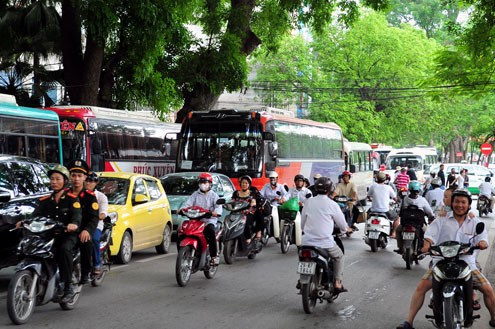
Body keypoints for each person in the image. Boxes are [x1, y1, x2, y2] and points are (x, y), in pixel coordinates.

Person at [396, 189, 495, 329]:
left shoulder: (474, 221)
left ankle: (493, 318)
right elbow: (430, 235)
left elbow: (482, 238)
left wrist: (482, 243)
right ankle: (408, 321)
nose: (459, 205)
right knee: (420, 288)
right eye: (457, 202)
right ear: (452, 203)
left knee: (488, 290)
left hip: (467, 264)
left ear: (468, 205)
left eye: (463, 202)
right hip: (441, 263)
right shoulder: (441, 219)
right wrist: (426, 245)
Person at [31, 165, 82, 303]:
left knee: (64, 249)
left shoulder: (72, 199)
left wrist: (74, 224)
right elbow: (35, 215)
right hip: (49, 235)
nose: (54, 182)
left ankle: (68, 287)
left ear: (65, 181)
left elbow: (77, 216)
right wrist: (23, 222)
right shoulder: (45, 200)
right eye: (52, 179)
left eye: (57, 179)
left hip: (67, 235)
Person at [301, 177, 353, 292]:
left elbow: (302, 224)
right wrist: (347, 230)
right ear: (329, 189)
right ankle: (337, 282)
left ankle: (301, 279)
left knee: (303, 257)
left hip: (307, 242)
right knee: (339, 256)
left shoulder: (308, 202)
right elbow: (342, 225)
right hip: (325, 243)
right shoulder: (332, 204)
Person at [66, 159, 100, 284]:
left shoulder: (90, 196)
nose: (76, 179)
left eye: (80, 176)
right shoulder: (64, 194)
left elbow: (93, 218)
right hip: (67, 229)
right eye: (73, 175)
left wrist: (87, 230)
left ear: (85, 177)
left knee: (86, 242)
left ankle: (86, 271)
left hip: (83, 230)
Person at [180, 172, 222, 266]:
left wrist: (215, 212)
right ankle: (184, 253)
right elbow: (188, 204)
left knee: (210, 232)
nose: (203, 184)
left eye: (205, 182)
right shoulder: (195, 194)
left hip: (209, 221)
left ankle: (213, 257)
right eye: (201, 182)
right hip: (196, 221)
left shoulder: (214, 196)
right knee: (182, 230)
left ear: (210, 184)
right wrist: (182, 210)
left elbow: (218, 208)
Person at [395, 181, 434, 254]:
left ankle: (400, 247)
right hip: (419, 224)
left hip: (405, 223)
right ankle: (424, 248)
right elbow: (430, 212)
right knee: (427, 233)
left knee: (398, 230)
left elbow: (400, 210)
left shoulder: (405, 199)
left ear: (409, 189)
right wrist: (431, 216)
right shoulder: (422, 200)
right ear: (419, 190)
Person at [84, 172, 108, 274]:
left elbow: (103, 213)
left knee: (93, 239)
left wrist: (93, 218)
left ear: (96, 183)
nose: (88, 183)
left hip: (95, 224)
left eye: (91, 181)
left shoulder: (101, 197)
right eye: (87, 181)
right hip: (80, 224)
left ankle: (96, 264)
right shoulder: (79, 194)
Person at [232, 175, 263, 243]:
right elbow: (232, 202)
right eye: (243, 183)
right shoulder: (236, 193)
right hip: (237, 212)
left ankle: (249, 237)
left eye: (246, 183)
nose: (244, 184)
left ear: (249, 184)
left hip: (248, 212)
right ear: (240, 184)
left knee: (244, 222)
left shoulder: (252, 193)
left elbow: (254, 202)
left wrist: (252, 203)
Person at [260, 171, 289, 240]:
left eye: (274, 178)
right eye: (271, 178)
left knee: (280, 216)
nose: (272, 180)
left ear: (277, 179)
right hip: (268, 205)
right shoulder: (266, 186)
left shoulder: (281, 187)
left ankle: (279, 231)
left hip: (277, 205)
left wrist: (282, 199)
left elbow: (286, 195)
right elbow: (261, 193)